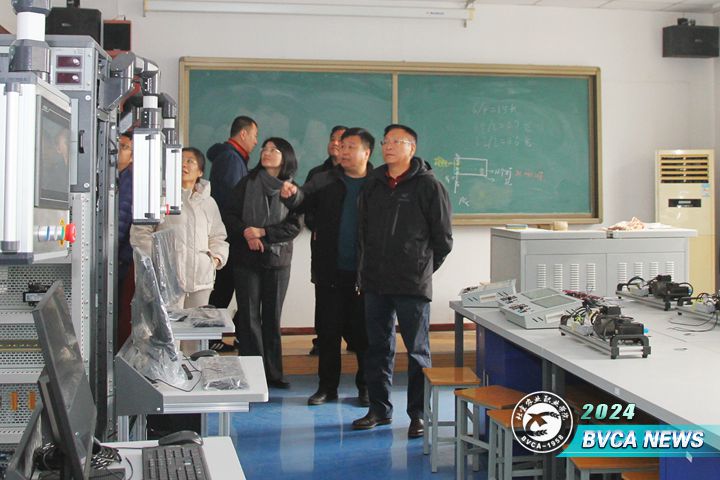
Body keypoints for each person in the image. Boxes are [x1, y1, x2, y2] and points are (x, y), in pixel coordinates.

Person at [352, 124, 453, 439]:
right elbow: (362, 233)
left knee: (417, 351)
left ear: (412, 147)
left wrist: (421, 269)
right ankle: (379, 409)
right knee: (377, 348)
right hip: (375, 282)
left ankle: (418, 415)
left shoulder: (429, 185)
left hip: (412, 283)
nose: (389, 146)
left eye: (397, 141)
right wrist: (364, 272)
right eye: (386, 141)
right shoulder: (373, 183)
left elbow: (443, 240)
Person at [281, 127, 372, 406]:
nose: (343, 151)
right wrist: (290, 195)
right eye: (342, 146)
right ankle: (327, 388)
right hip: (329, 271)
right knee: (328, 333)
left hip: (366, 274)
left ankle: (366, 388)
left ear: (367, 152)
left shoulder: (378, 183)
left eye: (351, 147)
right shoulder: (324, 179)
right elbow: (301, 201)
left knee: (365, 336)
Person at [224, 138, 301, 389]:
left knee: (272, 317)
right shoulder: (247, 183)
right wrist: (247, 231)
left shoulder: (291, 189)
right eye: (264, 149)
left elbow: (294, 226)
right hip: (246, 258)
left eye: (273, 150)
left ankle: (273, 374)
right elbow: (229, 214)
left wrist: (263, 232)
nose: (266, 153)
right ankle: (252, 374)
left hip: (277, 260)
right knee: (248, 318)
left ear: (285, 156)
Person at [130, 147, 229, 310]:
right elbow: (141, 233)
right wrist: (158, 261)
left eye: (190, 161)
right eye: (180, 160)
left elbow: (218, 236)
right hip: (168, 280)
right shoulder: (160, 198)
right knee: (170, 324)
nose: (184, 164)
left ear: (200, 172)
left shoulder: (208, 202)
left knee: (197, 323)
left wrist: (215, 259)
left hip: (200, 280)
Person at [207, 115, 258, 351]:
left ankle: (215, 337)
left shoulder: (233, 157)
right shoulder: (230, 159)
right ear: (243, 133)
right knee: (223, 289)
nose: (256, 142)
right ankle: (210, 338)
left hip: (230, 234)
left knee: (226, 288)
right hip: (230, 235)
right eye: (254, 136)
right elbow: (233, 200)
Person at [305, 125, 347, 356]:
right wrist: (318, 226)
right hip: (323, 245)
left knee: (352, 295)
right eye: (332, 139)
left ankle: (352, 337)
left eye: (341, 140)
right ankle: (322, 339)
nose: (335, 143)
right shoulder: (317, 174)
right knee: (323, 294)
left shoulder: (360, 175)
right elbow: (307, 208)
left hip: (351, 248)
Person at [116, 133, 135, 348]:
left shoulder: (129, 181)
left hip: (120, 258)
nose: (118, 150)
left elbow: (121, 223)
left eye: (124, 147)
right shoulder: (115, 175)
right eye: (117, 145)